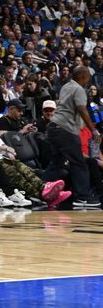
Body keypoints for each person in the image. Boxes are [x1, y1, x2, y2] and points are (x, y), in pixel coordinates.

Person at [45, 66, 102, 207]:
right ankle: (82, 197)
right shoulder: (79, 90)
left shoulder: (66, 86)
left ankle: (40, 191)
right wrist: (93, 130)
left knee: (56, 162)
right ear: (83, 76)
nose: (89, 80)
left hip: (54, 127)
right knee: (79, 163)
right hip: (66, 129)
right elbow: (81, 109)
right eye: (88, 77)